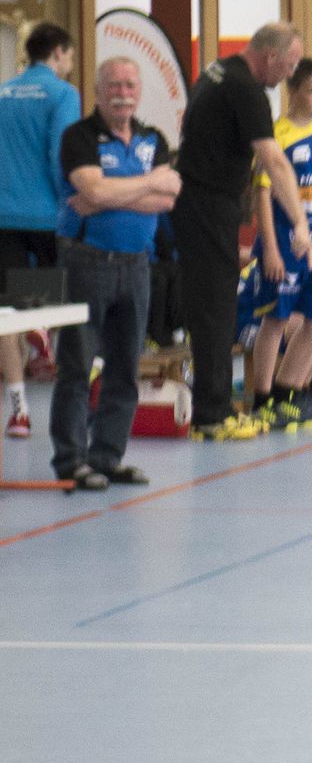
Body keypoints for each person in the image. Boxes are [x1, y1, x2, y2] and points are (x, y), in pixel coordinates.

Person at [48, 57, 179, 490]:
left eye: (130, 85)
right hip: (87, 263)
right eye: (114, 85)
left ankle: (107, 457)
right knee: (77, 365)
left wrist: (110, 193)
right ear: (99, 90)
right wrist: (148, 181)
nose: (123, 93)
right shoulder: (79, 137)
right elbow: (93, 188)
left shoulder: (152, 138)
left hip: (137, 265)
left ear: (139, 91)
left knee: (125, 367)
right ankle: (71, 460)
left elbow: (168, 198)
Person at [175, 22, 305, 440]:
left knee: (213, 306)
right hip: (208, 204)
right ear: (270, 55)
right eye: (290, 64)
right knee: (215, 309)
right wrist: (300, 221)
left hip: (200, 202)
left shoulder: (217, 71)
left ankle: (213, 407)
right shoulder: (246, 89)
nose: (290, 73)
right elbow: (275, 161)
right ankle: (211, 415)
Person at [247, 60, 312, 430]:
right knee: (276, 319)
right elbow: (262, 194)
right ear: (294, 91)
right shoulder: (276, 134)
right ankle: (262, 398)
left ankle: (289, 391)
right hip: (285, 241)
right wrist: (270, 248)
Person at [1, 22, 80, 439]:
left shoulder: (2, 93)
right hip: (48, 214)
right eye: (70, 57)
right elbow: (59, 154)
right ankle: (40, 330)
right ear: (58, 53)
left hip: (3, 214)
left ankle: (19, 411)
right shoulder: (62, 94)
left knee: (5, 312)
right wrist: (71, 203)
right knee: (51, 298)